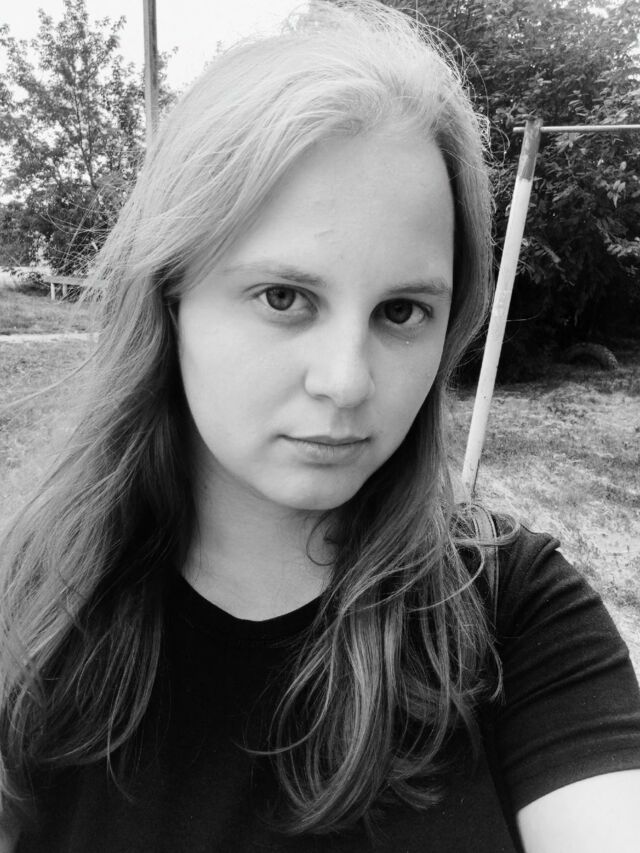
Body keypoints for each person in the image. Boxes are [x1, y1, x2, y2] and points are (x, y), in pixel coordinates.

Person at [1, 2, 639, 851]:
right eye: (284, 297)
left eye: (402, 310)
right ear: (170, 294)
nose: (346, 382)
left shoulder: (515, 615)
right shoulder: (25, 616)